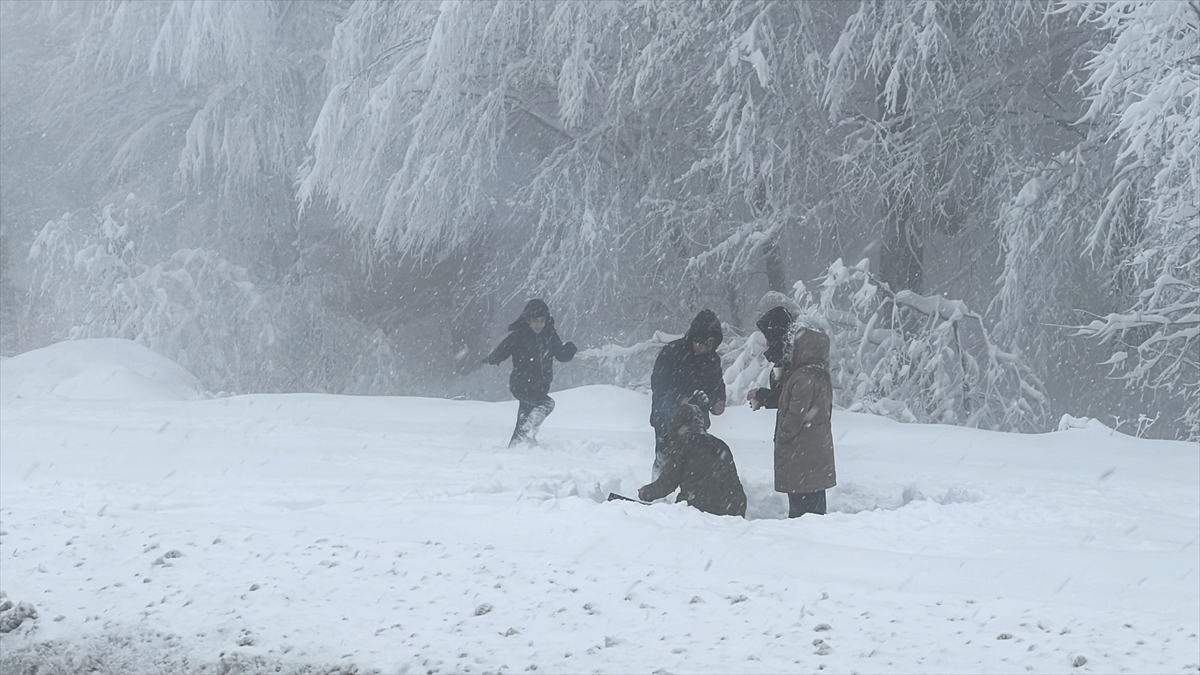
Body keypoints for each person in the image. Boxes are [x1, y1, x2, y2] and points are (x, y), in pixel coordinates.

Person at [484, 299, 577, 447]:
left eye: (542, 320)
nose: (539, 324)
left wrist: (569, 350)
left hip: (541, 385)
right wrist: (489, 358)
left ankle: (515, 448)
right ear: (527, 320)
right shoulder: (519, 336)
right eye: (535, 321)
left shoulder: (549, 335)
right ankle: (526, 432)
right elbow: (502, 350)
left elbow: (560, 354)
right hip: (522, 384)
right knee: (547, 404)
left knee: (523, 418)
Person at [649, 309, 727, 479]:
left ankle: (689, 497)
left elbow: (717, 386)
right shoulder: (672, 352)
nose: (702, 348)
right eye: (698, 342)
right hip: (667, 419)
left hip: (697, 421)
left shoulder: (712, 360)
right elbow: (659, 385)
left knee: (695, 461)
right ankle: (657, 495)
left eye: (708, 344)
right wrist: (679, 400)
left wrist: (718, 401)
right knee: (666, 459)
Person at [637, 403, 747, 517]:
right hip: (735, 508)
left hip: (703, 509)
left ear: (676, 423)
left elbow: (667, 483)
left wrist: (646, 493)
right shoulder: (719, 444)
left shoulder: (682, 445)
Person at [774, 327, 836, 517]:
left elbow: (794, 416)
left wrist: (782, 433)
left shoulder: (802, 378)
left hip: (799, 454)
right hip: (817, 452)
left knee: (799, 511)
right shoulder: (822, 376)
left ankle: (801, 543)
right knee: (816, 507)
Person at [747, 306, 795, 411]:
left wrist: (762, 395)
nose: (767, 343)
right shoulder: (784, 361)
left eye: (768, 337)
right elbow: (780, 398)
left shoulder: (792, 362)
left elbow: (792, 402)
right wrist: (763, 398)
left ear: (777, 336)